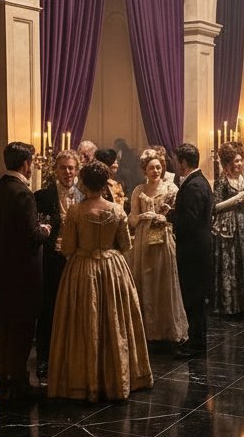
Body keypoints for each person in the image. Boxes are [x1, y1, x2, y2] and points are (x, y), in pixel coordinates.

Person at [47, 163, 152, 401]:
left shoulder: (75, 211)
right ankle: (118, 378)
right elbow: (125, 245)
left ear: (84, 184)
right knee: (115, 321)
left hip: (82, 270)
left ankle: (84, 381)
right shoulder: (117, 210)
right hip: (113, 269)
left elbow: (68, 247)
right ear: (104, 184)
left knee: (83, 321)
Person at [0, 142, 52, 398]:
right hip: (23, 272)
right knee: (23, 326)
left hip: (0, 267)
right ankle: (20, 378)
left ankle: (2, 372)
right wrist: (46, 230)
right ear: (26, 163)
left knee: (3, 324)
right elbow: (32, 236)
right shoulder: (23, 193)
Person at [127, 153, 188, 347]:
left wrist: (166, 218)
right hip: (144, 239)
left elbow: (179, 214)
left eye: (158, 167)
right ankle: (147, 331)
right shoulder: (139, 190)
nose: (155, 171)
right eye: (151, 167)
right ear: (144, 170)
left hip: (163, 237)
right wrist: (141, 217)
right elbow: (131, 218)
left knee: (164, 280)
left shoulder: (171, 188)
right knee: (145, 280)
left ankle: (166, 330)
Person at [34, 151, 83, 378]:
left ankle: (73, 357)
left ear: (77, 170)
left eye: (71, 167)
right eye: (63, 167)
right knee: (49, 308)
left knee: (76, 309)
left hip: (78, 260)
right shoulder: (42, 196)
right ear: (55, 170)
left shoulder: (85, 196)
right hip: (51, 260)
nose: (67, 172)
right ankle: (44, 358)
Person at [212, 142, 244, 317]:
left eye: (241, 160)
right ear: (228, 163)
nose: (240, 164)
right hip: (228, 227)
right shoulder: (222, 182)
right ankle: (230, 305)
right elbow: (215, 207)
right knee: (231, 262)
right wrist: (236, 198)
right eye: (236, 161)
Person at [171, 143, 213, 356]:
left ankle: (196, 344)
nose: (175, 165)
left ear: (183, 162)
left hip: (193, 250)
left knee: (193, 298)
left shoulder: (194, 185)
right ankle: (196, 341)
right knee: (195, 298)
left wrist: (170, 215)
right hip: (197, 248)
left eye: (176, 161)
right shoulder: (199, 181)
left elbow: (189, 220)